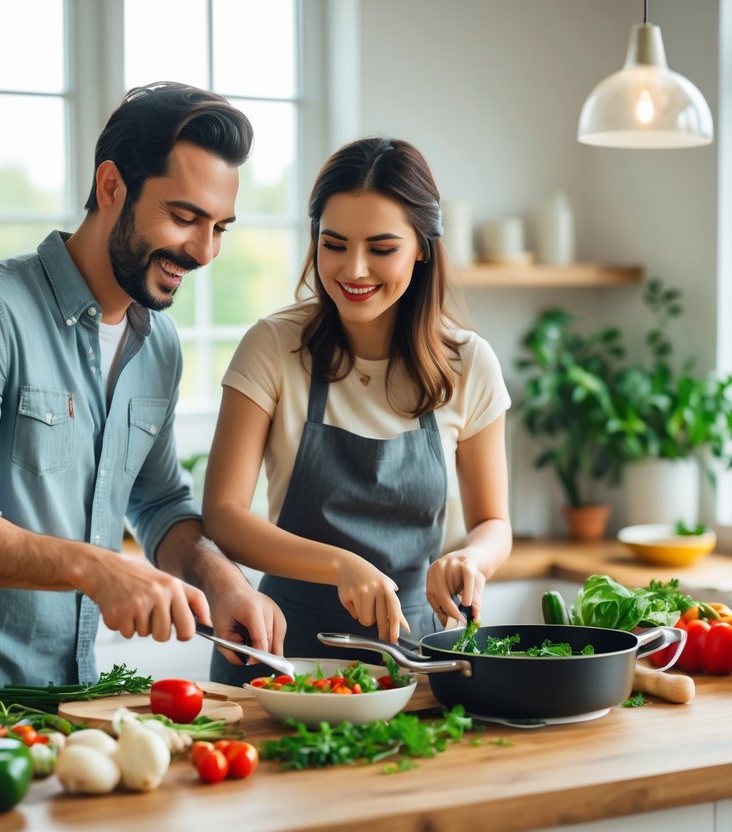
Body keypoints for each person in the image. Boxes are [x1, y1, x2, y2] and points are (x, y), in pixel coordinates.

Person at [0, 82, 285, 718]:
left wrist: (223, 581)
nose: (203, 252)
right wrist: (96, 568)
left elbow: (159, 501)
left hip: (68, 706)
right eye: (184, 216)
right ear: (112, 186)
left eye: (219, 227)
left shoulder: (159, 343)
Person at [202, 137, 512, 683]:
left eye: (382, 247)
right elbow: (224, 516)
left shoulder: (469, 363)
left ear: (422, 247)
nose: (355, 269)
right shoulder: (274, 347)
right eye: (335, 243)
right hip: (281, 654)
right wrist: (340, 565)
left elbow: (493, 523)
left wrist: (473, 560)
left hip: (414, 654)